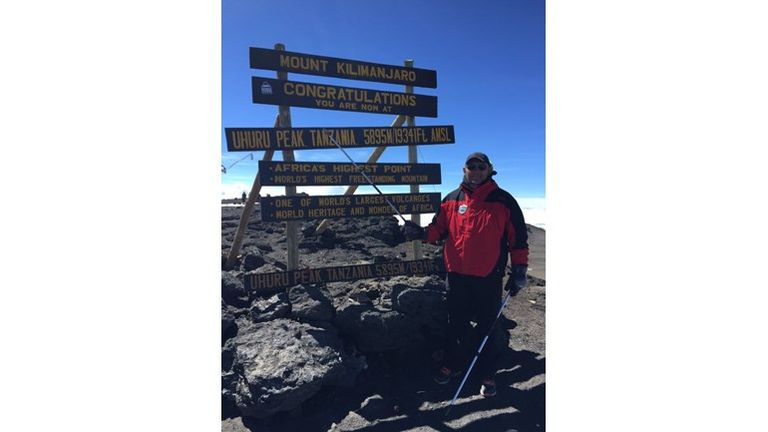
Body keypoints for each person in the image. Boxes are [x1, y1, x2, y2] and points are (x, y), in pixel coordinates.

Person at [401, 152, 529, 397]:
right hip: (456, 275)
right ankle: (452, 364)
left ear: (489, 169)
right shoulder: (451, 199)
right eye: (472, 166)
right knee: (455, 324)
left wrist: (519, 270)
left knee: (488, 327)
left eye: (481, 166)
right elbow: (437, 231)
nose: (477, 170)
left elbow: (518, 239)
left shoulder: (504, 201)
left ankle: (487, 374)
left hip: (488, 277)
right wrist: (419, 233)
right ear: (464, 170)